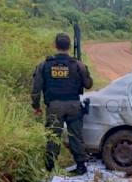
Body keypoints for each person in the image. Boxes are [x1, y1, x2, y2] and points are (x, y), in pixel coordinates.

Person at [31, 33, 93, 174]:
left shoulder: (44, 65)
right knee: (76, 136)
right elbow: (88, 84)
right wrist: (84, 70)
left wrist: (36, 106)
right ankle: (81, 166)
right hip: (73, 106)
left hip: (54, 106)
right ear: (69, 46)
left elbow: (36, 89)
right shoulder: (78, 65)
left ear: (55, 45)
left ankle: (50, 168)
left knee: (53, 136)